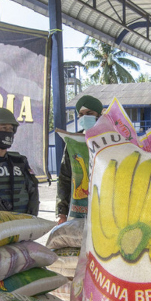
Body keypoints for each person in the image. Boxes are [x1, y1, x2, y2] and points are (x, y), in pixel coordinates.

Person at [56, 94, 103, 224]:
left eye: (89, 113)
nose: (84, 117)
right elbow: (64, 178)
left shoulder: (111, 139)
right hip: (79, 211)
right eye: (81, 114)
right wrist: (62, 211)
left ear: (99, 114)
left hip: (105, 210)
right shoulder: (74, 142)